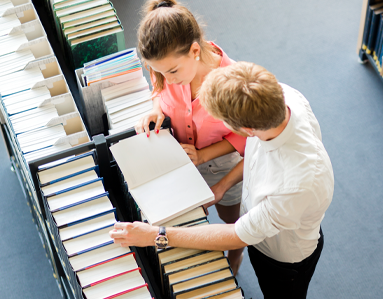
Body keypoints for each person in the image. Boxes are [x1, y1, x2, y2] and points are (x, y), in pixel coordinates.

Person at [111, 61, 334, 298]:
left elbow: (237, 234)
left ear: (246, 129)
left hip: (282, 258)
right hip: (263, 226)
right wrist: (222, 186)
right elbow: (257, 160)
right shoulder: (279, 99)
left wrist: (157, 235)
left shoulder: (297, 184)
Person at [134, 0, 246, 273]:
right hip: (180, 162)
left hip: (224, 169)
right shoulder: (165, 67)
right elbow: (159, 89)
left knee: (232, 223)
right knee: (188, 225)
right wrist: (156, 109)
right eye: (160, 72)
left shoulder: (232, 83)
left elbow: (248, 141)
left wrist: (207, 161)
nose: (168, 79)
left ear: (195, 50)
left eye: (172, 71)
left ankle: (234, 262)